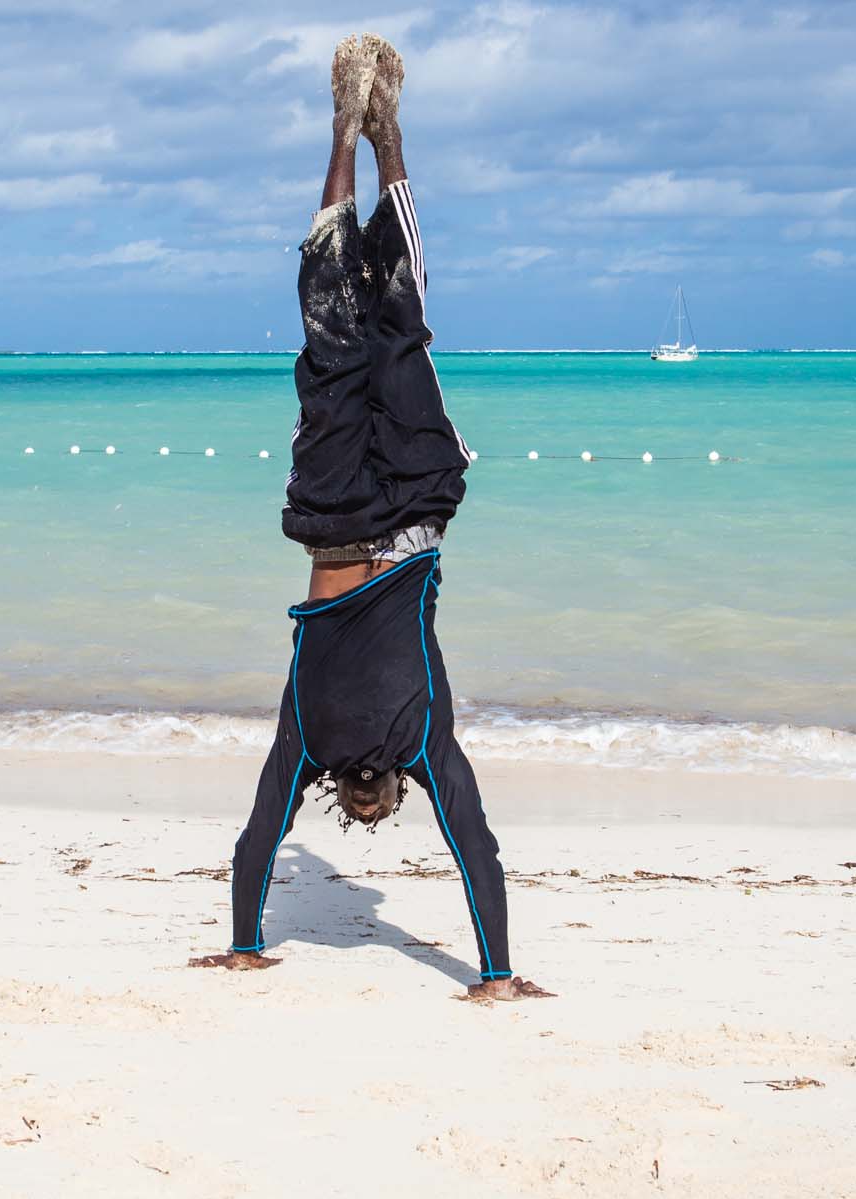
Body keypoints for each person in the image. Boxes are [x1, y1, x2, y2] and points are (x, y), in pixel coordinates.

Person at [191, 34, 550, 1002]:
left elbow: (474, 842)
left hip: (416, 505)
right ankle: (347, 134)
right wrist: (241, 937)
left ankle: (383, 140)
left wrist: (499, 970)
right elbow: (256, 840)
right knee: (329, 325)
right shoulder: (305, 735)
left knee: (401, 318)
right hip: (326, 513)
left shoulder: (415, 735)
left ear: (383, 795)